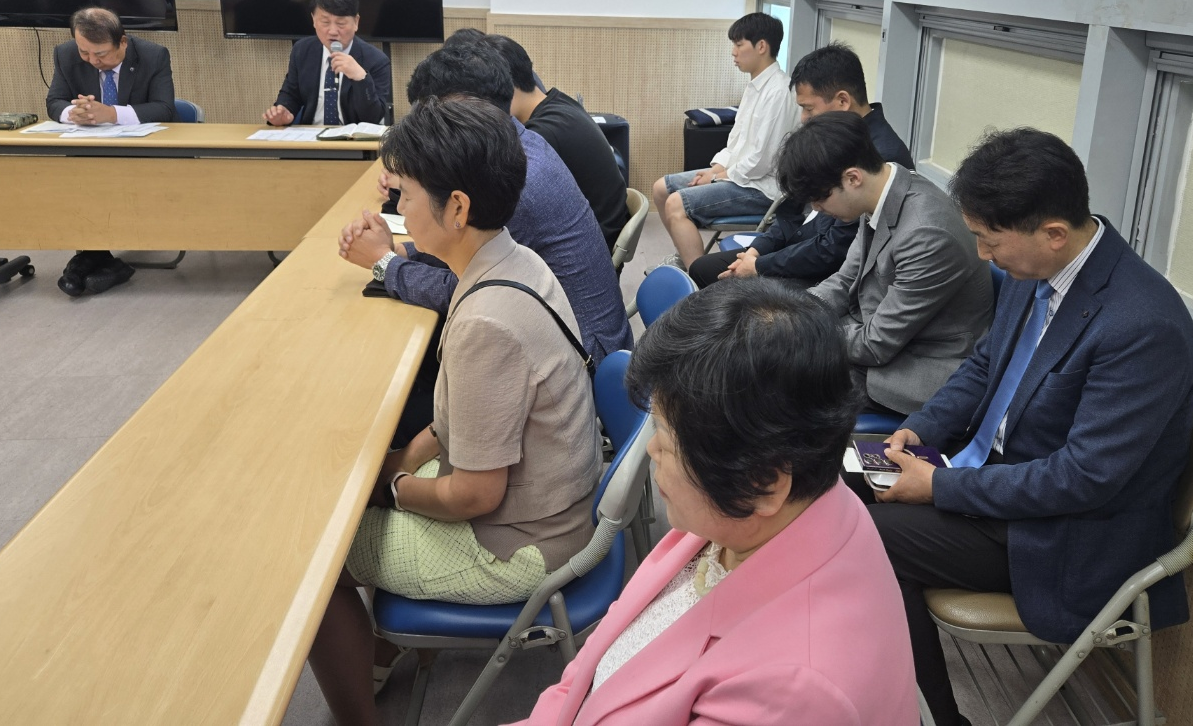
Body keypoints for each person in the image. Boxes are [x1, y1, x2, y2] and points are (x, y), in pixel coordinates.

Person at [866, 128, 1193, 726]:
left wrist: (939, 487)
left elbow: (1083, 478)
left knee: (865, 534)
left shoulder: (1142, 325)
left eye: (988, 241)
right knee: (837, 483)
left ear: (1053, 233)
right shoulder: (1039, 273)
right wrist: (922, 430)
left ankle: (935, 718)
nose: (981, 256)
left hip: (1063, 536)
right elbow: (984, 366)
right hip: (993, 479)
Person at [309, 95, 603, 726]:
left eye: (408, 194)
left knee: (313, 554)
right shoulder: (515, 259)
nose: (399, 208)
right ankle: (384, 648)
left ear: (458, 208)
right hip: (556, 503)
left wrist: (391, 487)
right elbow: (457, 421)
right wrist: (399, 462)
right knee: (359, 490)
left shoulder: (484, 321)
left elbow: (473, 495)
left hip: (521, 546)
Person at [506, 278, 917, 726]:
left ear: (763, 481)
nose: (651, 450)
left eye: (667, 439)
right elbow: (594, 666)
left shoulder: (792, 696)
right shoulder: (762, 514)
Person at [338, 43, 631, 440]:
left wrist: (384, 264)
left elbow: (467, 289)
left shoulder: (516, 181)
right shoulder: (516, 145)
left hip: (578, 371)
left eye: (434, 116)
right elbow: (469, 255)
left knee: (376, 415)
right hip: (568, 341)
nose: (428, 129)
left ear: (467, 109)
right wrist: (403, 250)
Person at [780, 112, 993, 415]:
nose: (817, 209)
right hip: (881, 337)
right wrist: (792, 314)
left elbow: (875, 345)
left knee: (776, 383)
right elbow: (845, 280)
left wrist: (803, 330)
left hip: (917, 366)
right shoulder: (882, 193)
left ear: (852, 178)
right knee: (768, 354)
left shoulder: (926, 233)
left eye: (819, 199)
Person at [688, 42, 912, 288]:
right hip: (795, 246)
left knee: (724, 291)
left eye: (808, 109)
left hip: (823, 272)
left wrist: (760, 266)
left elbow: (835, 250)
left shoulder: (880, 157)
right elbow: (791, 210)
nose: (803, 119)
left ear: (842, 101)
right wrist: (757, 250)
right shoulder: (828, 136)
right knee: (703, 268)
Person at [651, 12, 798, 270]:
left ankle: (700, 278)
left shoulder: (778, 92)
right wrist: (716, 170)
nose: (733, 52)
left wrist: (717, 178)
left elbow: (761, 162)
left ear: (761, 46)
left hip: (762, 188)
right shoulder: (755, 86)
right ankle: (685, 258)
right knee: (661, 189)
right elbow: (736, 143)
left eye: (739, 44)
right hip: (740, 176)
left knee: (676, 203)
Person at [46, 6, 176, 296]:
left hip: (141, 154)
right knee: (74, 180)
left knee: (103, 181)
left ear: (123, 42)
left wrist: (112, 113)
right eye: (84, 53)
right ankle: (96, 257)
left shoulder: (153, 55)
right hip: (87, 153)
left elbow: (165, 109)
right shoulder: (65, 54)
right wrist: (72, 113)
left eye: (101, 54)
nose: (93, 61)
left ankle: (93, 261)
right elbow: (54, 101)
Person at [489, 34, 629, 252]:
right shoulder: (559, 102)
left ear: (505, 87)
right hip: (601, 227)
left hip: (590, 246)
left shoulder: (541, 135)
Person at [263, 0, 392, 127]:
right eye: (325, 22)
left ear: (356, 22)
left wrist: (360, 78)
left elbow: (373, 118)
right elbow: (291, 94)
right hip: (311, 134)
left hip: (352, 137)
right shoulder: (302, 50)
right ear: (314, 20)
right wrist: (283, 113)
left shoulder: (376, 60)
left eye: (341, 23)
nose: (332, 31)